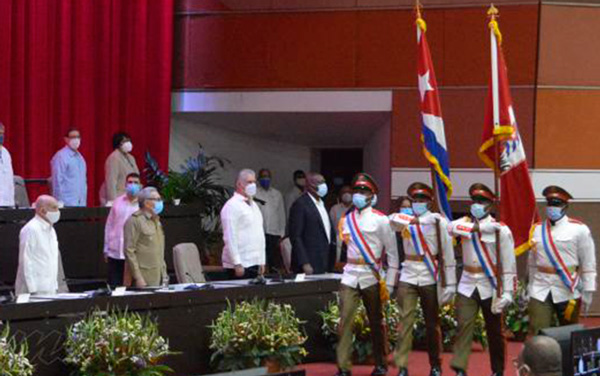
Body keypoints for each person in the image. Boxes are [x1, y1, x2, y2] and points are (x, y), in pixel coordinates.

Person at [448, 183, 517, 376]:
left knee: (495, 331)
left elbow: (509, 263)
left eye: (481, 201)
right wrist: (480, 229)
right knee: (463, 326)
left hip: (491, 284)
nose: (476, 205)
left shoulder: (501, 230)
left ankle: (497, 370)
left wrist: (509, 293)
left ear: (490, 205)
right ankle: (460, 368)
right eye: (474, 201)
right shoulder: (463, 222)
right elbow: (450, 227)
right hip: (467, 283)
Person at [334, 173, 399, 376]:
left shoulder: (381, 220)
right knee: (345, 322)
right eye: (357, 191)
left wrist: (389, 283)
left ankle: (380, 364)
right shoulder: (346, 220)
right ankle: (343, 366)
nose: (359, 195)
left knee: (376, 322)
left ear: (372, 196)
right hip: (350, 275)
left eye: (364, 192)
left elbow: (392, 254)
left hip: (371, 276)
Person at [390, 182, 456, 376]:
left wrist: (450, 283)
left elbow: (448, 253)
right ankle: (402, 366)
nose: (418, 203)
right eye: (415, 200)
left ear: (429, 202)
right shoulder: (404, 219)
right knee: (405, 321)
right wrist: (412, 220)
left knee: (432, 324)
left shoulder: (438, 222)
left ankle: (435, 365)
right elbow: (391, 220)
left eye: (422, 200)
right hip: (408, 273)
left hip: (429, 274)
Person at [527, 185, 596, 335]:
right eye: (550, 204)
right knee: (537, 331)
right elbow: (532, 262)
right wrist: (530, 285)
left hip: (567, 288)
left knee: (569, 333)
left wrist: (588, 291)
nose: (552, 207)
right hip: (540, 287)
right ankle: (538, 359)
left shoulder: (579, 229)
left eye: (557, 204)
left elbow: (588, 262)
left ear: (565, 206)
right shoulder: (537, 229)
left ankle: (566, 360)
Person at [14, 195, 65, 295]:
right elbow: (25, 261)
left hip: (50, 287)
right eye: (54, 208)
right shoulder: (31, 229)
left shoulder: (52, 230)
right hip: (34, 290)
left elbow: (52, 259)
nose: (57, 211)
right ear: (42, 211)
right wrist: (32, 289)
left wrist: (55, 285)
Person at [220, 169, 266, 279]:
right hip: (240, 264)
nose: (253, 185)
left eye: (254, 182)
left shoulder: (253, 205)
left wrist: (262, 261)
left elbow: (259, 233)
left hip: (254, 261)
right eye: (250, 182)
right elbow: (230, 237)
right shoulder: (232, 206)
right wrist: (237, 262)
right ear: (239, 184)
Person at [288, 172, 336, 274]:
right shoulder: (301, 204)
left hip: (325, 259)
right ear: (310, 185)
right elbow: (296, 236)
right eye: (320, 182)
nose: (324, 185)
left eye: (324, 182)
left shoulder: (322, 204)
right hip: (309, 263)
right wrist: (304, 262)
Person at [124, 187, 168, 288]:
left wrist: (164, 275)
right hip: (143, 278)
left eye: (160, 199)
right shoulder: (134, 221)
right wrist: (138, 277)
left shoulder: (156, 221)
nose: (160, 203)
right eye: (156, 200)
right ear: (146, 202)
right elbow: (129, 251)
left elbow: (159, 250)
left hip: (159, 276)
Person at [103, 173, 142, 287]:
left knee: (129, 288)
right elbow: (109, 225)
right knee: (114, 286)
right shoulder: (117, 202)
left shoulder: (142, 205)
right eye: (130, 182)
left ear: (140, 186)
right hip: (114, 252)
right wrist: (106, 248)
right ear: (125, 184)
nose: (132, 185)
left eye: (135, 182)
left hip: (132, 253)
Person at [255, 168, 286, 272]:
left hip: (274, 232)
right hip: (260, 232)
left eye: (267, 177)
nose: (265, 179)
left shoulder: (277, 194)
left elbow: (281, 214)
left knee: (273, 260)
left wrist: (281, 233)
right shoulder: (255, 194)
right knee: (260, 259)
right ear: (258, 179)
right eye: (263, 177)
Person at [50, 128, 87, 207]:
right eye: (73, 137)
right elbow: (57, 180)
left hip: (80, 203)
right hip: (66, 203)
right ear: (66, 139)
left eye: (78, 137)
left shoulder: (80, 157)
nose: (76, 140)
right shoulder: (61, 156)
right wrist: (59, 202)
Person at [102, 132, 139, 205]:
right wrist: (112, 201)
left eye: (129, 141)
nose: (128, 143)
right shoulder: (114, 158)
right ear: (118, 144)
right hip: (120, 198)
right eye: (124, 141)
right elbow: (111, 181)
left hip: (133, 198)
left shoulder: (131, 158)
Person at [330, 185, 353, 264]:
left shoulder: (356, 208)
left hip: (354, 241)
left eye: (349, 192)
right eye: (344, 192)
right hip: (338, 241)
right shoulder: (334, 209)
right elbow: (331, 226)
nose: (346, 194)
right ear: (340, 195)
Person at [0, 122, 15, 207]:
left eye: (2, 133)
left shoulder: (6, 153)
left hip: (7, 203)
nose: (1, 136)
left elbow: (10, 180)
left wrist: (11, 203)